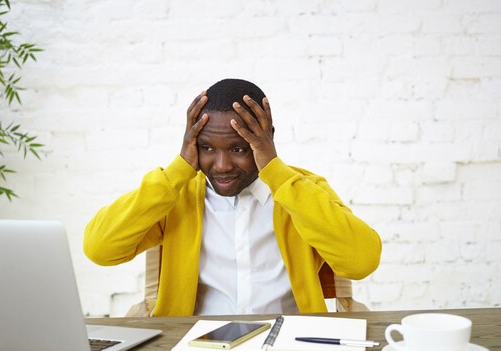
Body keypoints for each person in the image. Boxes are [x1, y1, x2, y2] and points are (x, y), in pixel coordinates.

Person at [84, 79, 381, 316]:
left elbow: (362, 262)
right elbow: (100, 249)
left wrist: (276, 172)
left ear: (266, 137)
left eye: (238, 149)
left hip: (288, 347)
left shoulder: (301, 189)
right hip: (194, 349)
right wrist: (178, 171)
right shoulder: (177, 194)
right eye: (207, 147)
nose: (222, 165)